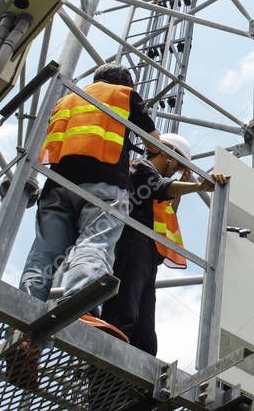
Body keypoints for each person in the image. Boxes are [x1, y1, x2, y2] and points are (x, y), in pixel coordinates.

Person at [17, 62, 161, 304]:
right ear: (126, 83)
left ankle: (25, 303)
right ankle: (80, 305)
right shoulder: (124, 95)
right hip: (105, 184)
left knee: (45, 252)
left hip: (57, 186)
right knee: (95, 244)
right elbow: (154, 145)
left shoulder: (67, 99)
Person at [101, 133, 229, 354]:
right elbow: (161, 186)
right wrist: (198, 186)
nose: (177, 170)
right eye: (178, 164)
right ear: (166, 153)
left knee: (146, 337)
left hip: (149, 255)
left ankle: (136, 372)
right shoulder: (140, 167)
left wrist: (185, 183)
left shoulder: (158, 186)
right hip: (131, 243)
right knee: (123, 311)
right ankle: (106, 363)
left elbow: (167, 210)